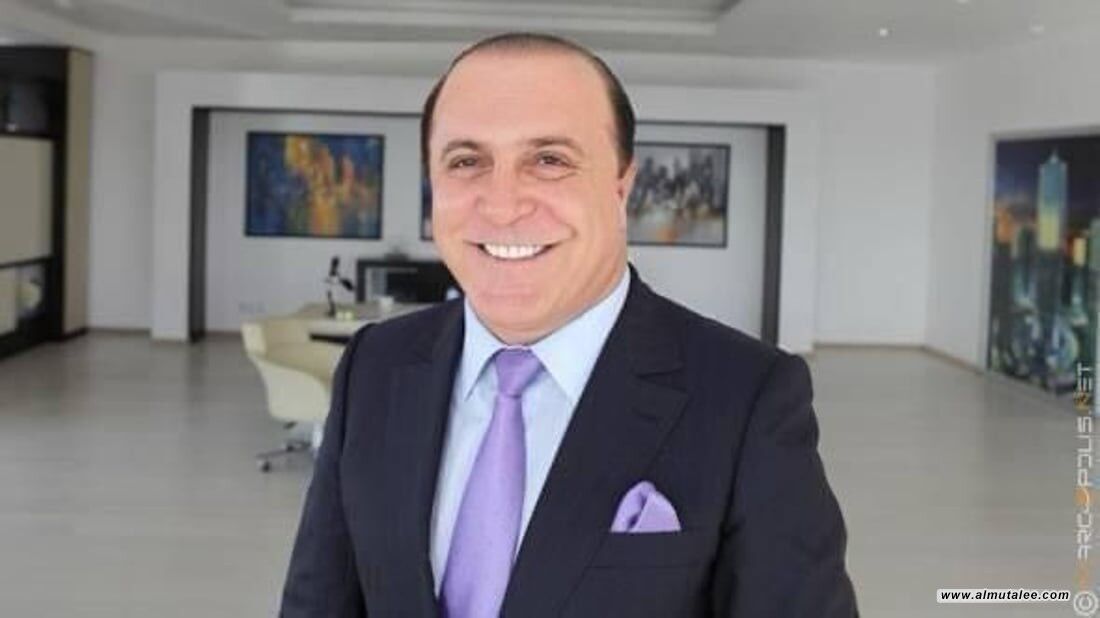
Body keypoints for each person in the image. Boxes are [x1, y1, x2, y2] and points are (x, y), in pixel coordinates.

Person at [280, 32, 858, 618]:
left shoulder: (746, 396)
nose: (502, 205)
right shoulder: (375, 364)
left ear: (622, 186)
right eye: (466, 161)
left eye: (549, 160)